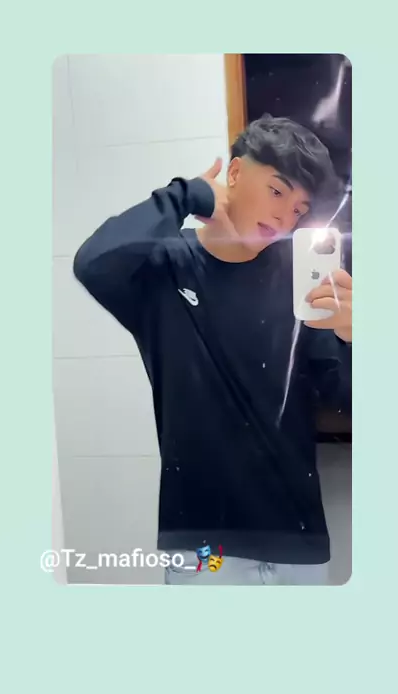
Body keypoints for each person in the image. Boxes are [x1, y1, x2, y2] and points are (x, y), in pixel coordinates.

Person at [73, 115, 352, 585]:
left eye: (299, 210)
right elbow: (93, 262)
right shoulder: (165, 266)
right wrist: (185, 196)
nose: (284, 218)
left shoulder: (300, 283)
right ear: (235, 173)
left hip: (298, 541)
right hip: (202, 543)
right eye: (277, 191)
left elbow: (345, 400)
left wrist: (355, 340)